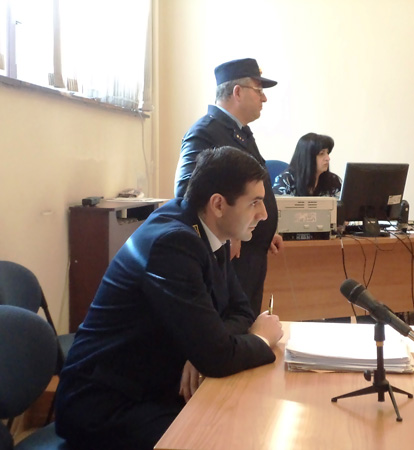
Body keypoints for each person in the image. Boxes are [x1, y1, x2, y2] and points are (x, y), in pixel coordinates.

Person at [55, 147, 284, 450]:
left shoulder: (207, 230)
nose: (263, 214)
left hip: (154, 385)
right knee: (226, 436)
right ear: (218, 204)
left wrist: (206, 345)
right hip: (105, 405)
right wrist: (259, 338)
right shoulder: (174, 244)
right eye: (254, 202)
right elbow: (219, 356)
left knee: (245, 416)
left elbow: (240, 310)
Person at [174, 58, 283, 317]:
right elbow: (187, 193)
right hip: (228, 257)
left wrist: (263, 229)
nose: (264, 98)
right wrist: (231, 232)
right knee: (230, 326)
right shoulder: (205, 132)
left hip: (250, 255)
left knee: (246, 322)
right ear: (237, 92)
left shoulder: (240, 133)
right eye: (259, 90)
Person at [272, 132, 342, 197]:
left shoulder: (333, 180)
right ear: (307, 157)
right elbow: (276, 205)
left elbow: (342, 205)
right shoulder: (286, 180)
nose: (328, 158)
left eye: (327, 153)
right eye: (321, 154)